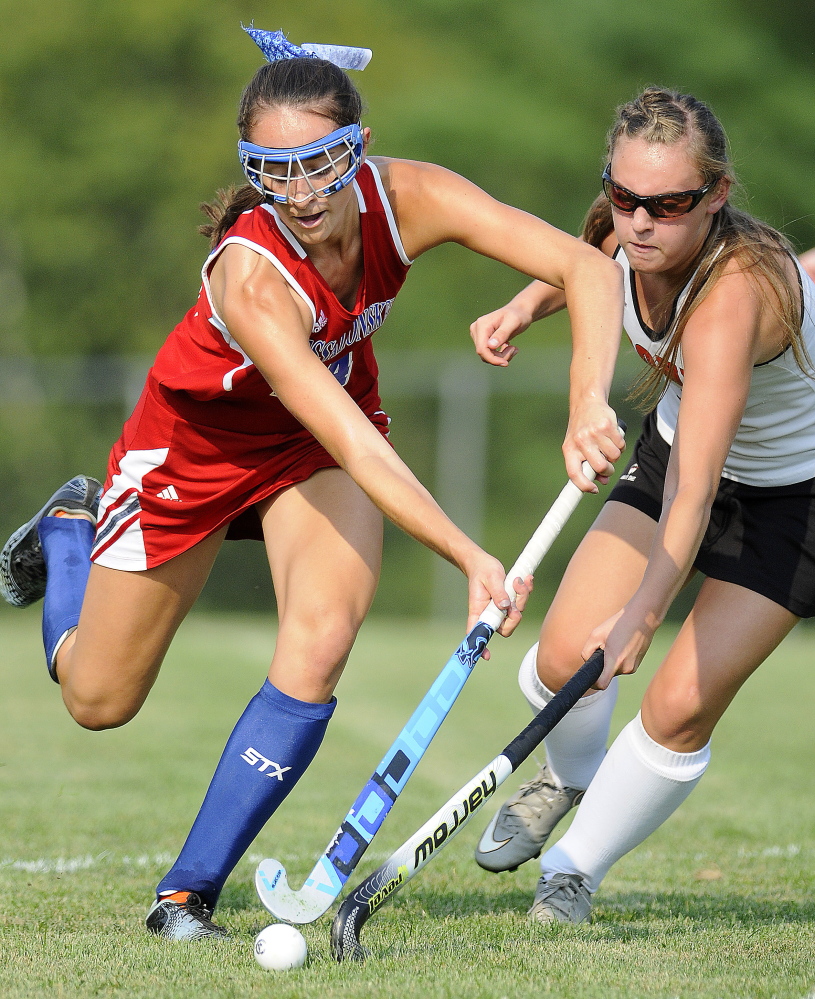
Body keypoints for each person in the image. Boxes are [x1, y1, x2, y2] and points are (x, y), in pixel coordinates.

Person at [0, 27, 625, 940]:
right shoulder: (255, 279)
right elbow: (364, 452)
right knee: (97, 700)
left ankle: (185, 894)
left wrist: (584, 401)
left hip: (310, 447)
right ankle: (67, 532)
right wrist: (464, 555)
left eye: (319, 163)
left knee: (324, 633)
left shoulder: (410, 197)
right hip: (193, 452)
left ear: (356, 148)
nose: (300, 193)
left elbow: (585, 264)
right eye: (273, 171)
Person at [469, 86, 815, 924]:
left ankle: (575, 869)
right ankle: (573, 776)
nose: (639, 223)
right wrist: (522, 302)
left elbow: (698, 490)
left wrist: (642, 613)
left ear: (717, 195)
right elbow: (587, 272)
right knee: (562, 661)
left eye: (667, 205)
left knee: (676, 702)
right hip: (675, 454)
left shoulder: (731, 298)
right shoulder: (617, 226)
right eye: (624, 198)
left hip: (791, 496)